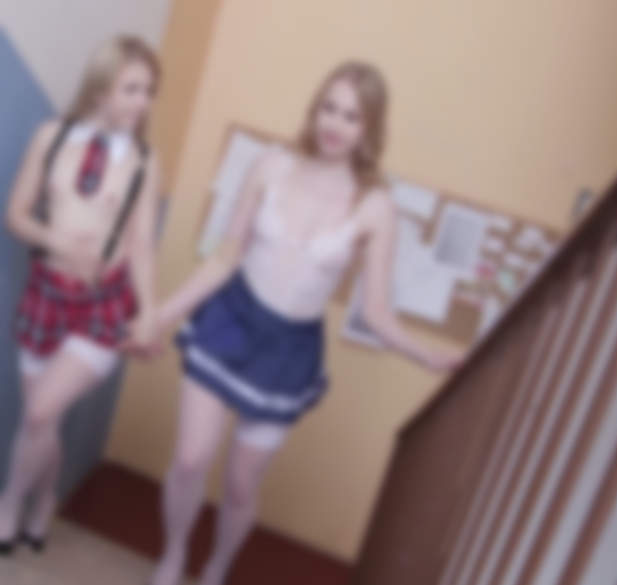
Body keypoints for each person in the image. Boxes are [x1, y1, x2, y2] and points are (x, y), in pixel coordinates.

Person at [144, 61, 463, 585]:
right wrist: (161, 315)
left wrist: (427, 354)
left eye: (351, 116)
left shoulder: (376, 207)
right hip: (231, 319)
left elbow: (376, 312)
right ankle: (173, 555)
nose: (335, 124)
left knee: (241, 485)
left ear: (369, 128)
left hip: (289, 351)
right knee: (190, 458)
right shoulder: (270, 165)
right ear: (315, 110)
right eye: (328, 108)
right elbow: (224, 257)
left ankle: (217, 568)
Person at [0, 36, 162, 553]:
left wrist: (149, 314)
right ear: (100, 88)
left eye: (149, 91)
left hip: (102, 306)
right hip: (46, 295)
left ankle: (8, 504)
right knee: (42, 421)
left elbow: (142, 246)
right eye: (132, 89)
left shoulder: (143, 161)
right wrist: (59, 241)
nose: (143, 102)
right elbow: (16, 215)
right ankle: (45, 501)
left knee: (39, 414)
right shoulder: (52, 136)